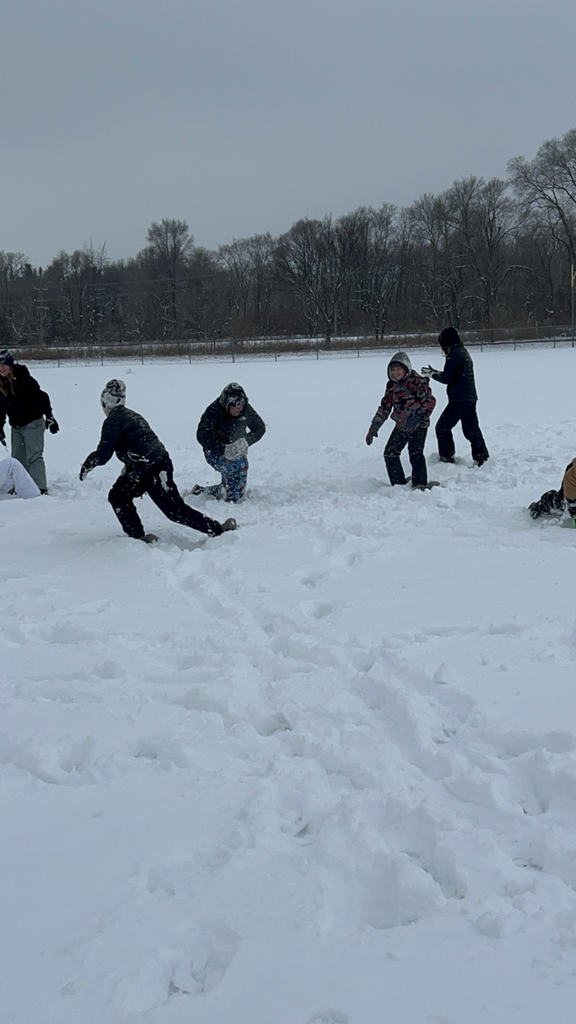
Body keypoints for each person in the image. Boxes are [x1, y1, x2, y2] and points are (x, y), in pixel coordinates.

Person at [79, 379, 237, 543]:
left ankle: (219, 530)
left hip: (153, 468)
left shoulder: (113, 421)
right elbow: (138, 446)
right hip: (147, 466)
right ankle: (137, 537)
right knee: (119, 495)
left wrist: (87, 464)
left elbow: (103, 455)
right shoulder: (131, 415)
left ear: (105, 403)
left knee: (174, 510)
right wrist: (130, 467)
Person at [365, 350, 437, 490]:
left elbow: (430, 401)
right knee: (390, 453)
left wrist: (417, 417)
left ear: (406, 368)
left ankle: (420, 483)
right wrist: (375, 425)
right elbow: (385, 406)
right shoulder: (391, 385)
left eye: (399, 369)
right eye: (393, 369)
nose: (396, 372)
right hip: (402, 425)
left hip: (419, 425)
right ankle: (398, 485)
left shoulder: (417, 381)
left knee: (415, 453)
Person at [421, 327, 489, 467]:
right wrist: (435, 372)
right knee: (471, 428)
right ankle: (482, 456)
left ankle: (447, 457)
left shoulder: (453, 354)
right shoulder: (462, 351)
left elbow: (447, 378)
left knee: (442, 427)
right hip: (470, 396)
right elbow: (453, 374)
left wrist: (432, 375)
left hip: (459, 399)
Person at [193, 382, 266, 503]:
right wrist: (223, 450)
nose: (240, 407)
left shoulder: (245, 409)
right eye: (237, 404)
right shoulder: (213, 412)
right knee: (234, 467)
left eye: (242, 403)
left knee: (239, 470)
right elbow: (202, 436)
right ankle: (230, 500)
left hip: (237, 450)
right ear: (227, 403)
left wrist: (245, 442)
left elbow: (260, 428)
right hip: (215, 452)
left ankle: (203, 492)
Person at [0, 348, 59, 493]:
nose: (1, 368)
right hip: (16, 426)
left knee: (34, 457)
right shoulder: (0, 384)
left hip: (33, 422)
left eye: (4, 364)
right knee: (17, 460)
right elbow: (0, 408)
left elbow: (41, 396)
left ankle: (40, 488)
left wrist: (49, 417)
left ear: (10, 365)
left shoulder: (22, 377)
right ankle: (22, 487)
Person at [528, 459, 576, 526]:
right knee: (559, 503)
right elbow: (570, 482)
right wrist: (572, 505)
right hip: (571, 484)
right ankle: (540, 506)